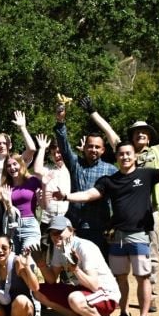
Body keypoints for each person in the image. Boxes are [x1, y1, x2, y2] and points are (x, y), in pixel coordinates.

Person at [55, 139, 159, 316]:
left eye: (128, 153)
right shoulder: (110, 180)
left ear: (135, 156)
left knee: (143, 277)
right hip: (117, 236)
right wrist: (67, 196)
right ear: (116, 157)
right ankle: (124, 314)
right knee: (120, 278)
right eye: (121, 154)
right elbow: (90, 194)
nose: (125, 157)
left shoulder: (147, 174)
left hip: (139, 235)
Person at [82, 94, 159, 311]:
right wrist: (92, 111)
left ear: (149, 138)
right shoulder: (124, 152)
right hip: (125, 214)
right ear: (131, 138)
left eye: (145, 132)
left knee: (152, 254)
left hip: (152, 210)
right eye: (137, 132)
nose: (141, 134)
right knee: (121, 260)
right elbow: (109, 131)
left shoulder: (158, 151)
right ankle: (119, 298)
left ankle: (152, 295)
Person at [34, 216, 120, 316]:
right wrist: (41, 265)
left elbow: (94, 285)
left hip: (106, 295)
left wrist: (76, 269)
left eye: (59, 232)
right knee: (39, 291)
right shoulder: (58, 248)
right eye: (52, 233)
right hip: (83, 291)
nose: (55, 236)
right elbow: (51, 280)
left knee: (75, 299)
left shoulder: (84, 247)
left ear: (70, 230)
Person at [54, 105, 116, 258]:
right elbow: (64, 145)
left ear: (103, 150)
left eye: (97, 147)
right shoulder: (76, 164)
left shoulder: (111, 170)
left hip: (98, 227)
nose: (93, 149)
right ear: (84, 148)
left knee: (97, 265)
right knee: (70, 263)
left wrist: (115, 225)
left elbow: (118, 200)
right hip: (73, 225)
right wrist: (60, 121)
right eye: (90, 146)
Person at [0, 143, 46, 255]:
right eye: (9, 166)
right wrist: (8, 202)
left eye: (14, 164)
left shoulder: (33, 181)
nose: (12, 168)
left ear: (21, 164)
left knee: (27, 260)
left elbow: (43, 205)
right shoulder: (5, 187)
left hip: (30, 224)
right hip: (12, 226)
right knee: (14, 263)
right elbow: (8, 212)